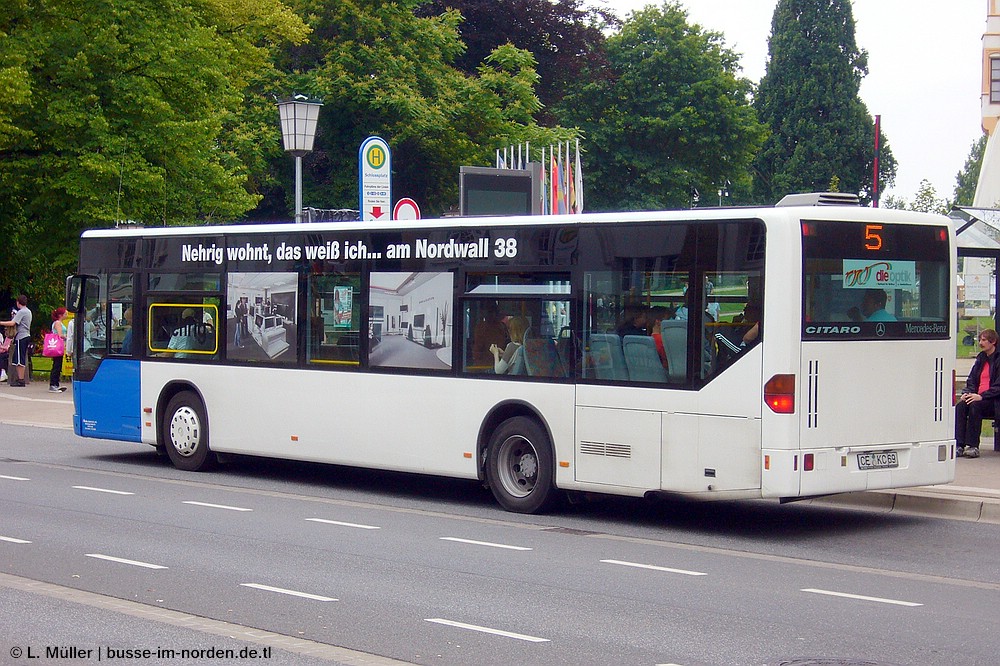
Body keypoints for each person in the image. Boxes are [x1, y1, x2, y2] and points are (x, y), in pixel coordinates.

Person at [955, 329, 1000, 458]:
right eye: (980, 340)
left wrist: (982, 396)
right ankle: (959, 445)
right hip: (978, 397)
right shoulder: (981, 358)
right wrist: (967, 392)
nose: (981, 343)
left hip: (993, 401)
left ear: (993, 342)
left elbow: (998, 386)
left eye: (984, 340)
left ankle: (973, 446)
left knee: (975, 406)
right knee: (961, 406)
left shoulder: (998, 359)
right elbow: (972, 380)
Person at [0, 295, 32, 387]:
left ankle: (21, 380)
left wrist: (1, 322)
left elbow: (12, 323)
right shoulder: (28, 311)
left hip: (21, 336)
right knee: (19, 357)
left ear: (18, 302)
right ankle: (20, 378)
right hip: (26, 335)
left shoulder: (21, 312)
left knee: (19, 359)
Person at [472, 302, 509, 367]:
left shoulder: (482, 327)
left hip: (488, 366)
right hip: (494, 365)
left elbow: (477, 350)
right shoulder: (502, 326)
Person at [48, 307, 68, 392]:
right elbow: (60, 334)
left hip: (59, 346)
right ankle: (53, 384)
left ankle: (55, 383)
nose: (66, 315)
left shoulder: (58, 323)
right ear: (61, 315)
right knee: (57, 365)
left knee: (57, 364)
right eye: (65, 313)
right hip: (58, 346)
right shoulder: (58, 323)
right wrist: (67, 337)